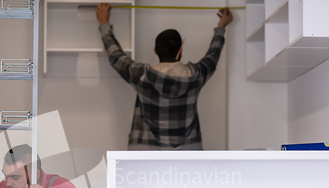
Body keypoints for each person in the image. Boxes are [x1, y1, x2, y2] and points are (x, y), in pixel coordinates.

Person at [96, 3, 233, 150]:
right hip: (188, 156)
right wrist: (221, 26)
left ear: (155, 50)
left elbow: (115, 56)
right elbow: (213, 56)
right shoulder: (196, 75)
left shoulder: (142, 76)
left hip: (146, 155)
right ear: (180, 51)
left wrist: (104, 22)